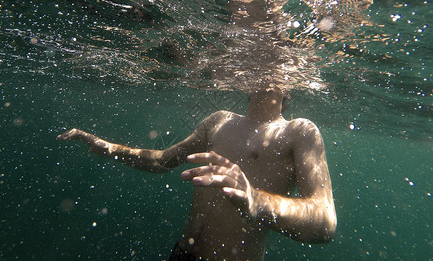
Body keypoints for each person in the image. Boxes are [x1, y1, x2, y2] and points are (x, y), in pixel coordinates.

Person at [57, 87, 337, 260]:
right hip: (183, 253)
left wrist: (257, 201)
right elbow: (162, 161)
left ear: (288, 91)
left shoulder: (299, 132)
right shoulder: (219, 120)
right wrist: (107, 147)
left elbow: (324, 221)